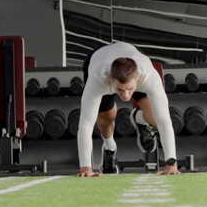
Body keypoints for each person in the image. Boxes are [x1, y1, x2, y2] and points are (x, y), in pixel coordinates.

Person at [76, 41, 179, 177]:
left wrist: (171, 164)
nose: (125, 97)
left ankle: (139, 118)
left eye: (129, 90)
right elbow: (86, 124)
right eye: (120, 90)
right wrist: (85, 167)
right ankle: (109, 146)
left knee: (155, 118)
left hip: (131, 59)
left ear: (138, 79)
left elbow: (164, 120)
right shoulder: (98, 79)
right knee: (106, 119)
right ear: (112, 80)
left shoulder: (149, 77)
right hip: (98, 57)